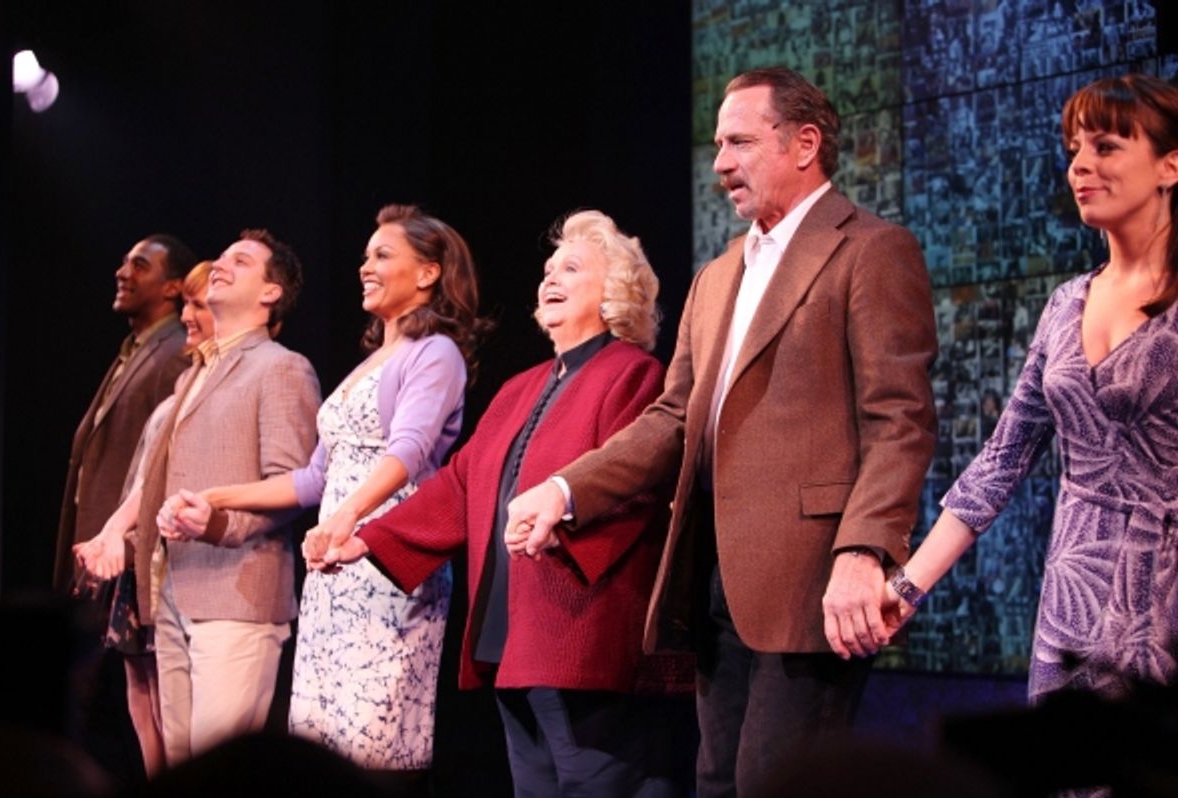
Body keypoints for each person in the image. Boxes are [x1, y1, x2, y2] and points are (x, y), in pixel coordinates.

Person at [505, 67, 937, 797]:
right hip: (713, 584)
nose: (720, 163)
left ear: (804, 144)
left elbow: (900, 420)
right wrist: (566, 488)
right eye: (716, 144)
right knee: (718, 783)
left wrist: (866, 550)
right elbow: (675, 419)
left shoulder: (870, 249)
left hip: (811, 582)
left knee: (777, 784)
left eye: (739, 142)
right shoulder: (717, 277)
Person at [316, 210, 688, 796]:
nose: (550, 279)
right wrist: (368, 535)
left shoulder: (634, 375)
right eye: (547, 269)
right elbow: (459, 483)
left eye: (571, 268)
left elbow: (639, 485)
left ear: (616, 291)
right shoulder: (522, 387)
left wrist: (559, 520)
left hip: (583, 633)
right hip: (512, 636)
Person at [881, 75, 1178, 706]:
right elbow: (1001, 461)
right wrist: (908, 587)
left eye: (1105, 146)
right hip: (1075, 593)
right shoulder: (1065, 304)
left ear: (1170, 165)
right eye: (1074, 149)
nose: (1080, 166)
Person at [196, 205, 486, 773]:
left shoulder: (436, 354)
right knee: (325, 742)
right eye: (364, 256)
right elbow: (312, 479)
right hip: (333, 567)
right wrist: (216, 498)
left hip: (387, 561)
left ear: (428, 273)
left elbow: (409, 450)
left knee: (374, 743)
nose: (365, 266)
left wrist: (348, 517)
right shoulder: (371, 363)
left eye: (382, 255)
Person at [139, 230, 321, 765]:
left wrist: (216, 524)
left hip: (238, 593)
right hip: (175, 585)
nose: (219, 265)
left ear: (271, 293)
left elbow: (293, 486)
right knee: (179, 765)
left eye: (239, 262)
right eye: (220, 257)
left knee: (219, 772)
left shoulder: (282, 367)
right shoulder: (195, 372)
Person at [74, 261, 215, 776]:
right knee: (139, 681)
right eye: (190, 306)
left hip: (163, 550)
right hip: (135, 548)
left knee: (161, 685)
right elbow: (141, 474)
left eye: (200, 305)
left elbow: (168, 478)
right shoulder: (181, 379)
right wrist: (110, 532)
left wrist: (123, 533)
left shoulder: (184, 377)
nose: (190, 316)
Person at [57, 234, 196, 593]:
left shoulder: (176, 353)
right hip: (99, 543)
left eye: (140, 266)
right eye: (124, 263)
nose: (123, 273)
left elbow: (163, 461)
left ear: (172, 288)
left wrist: (127, 539)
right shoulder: (136, 349)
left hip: (123, 553)